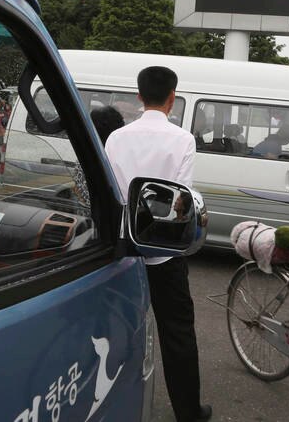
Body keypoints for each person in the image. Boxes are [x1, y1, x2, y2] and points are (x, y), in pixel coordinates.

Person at [104, 66, 211, 422]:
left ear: (139, 96)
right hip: (164, 251)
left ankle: (112, 401)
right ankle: (188, 412)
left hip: (122, 246)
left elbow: (112, 193)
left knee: (118, 327)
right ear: (172, 96)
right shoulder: (182, 139)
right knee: (177, 331)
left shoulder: (116, 138)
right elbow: (182, 199)